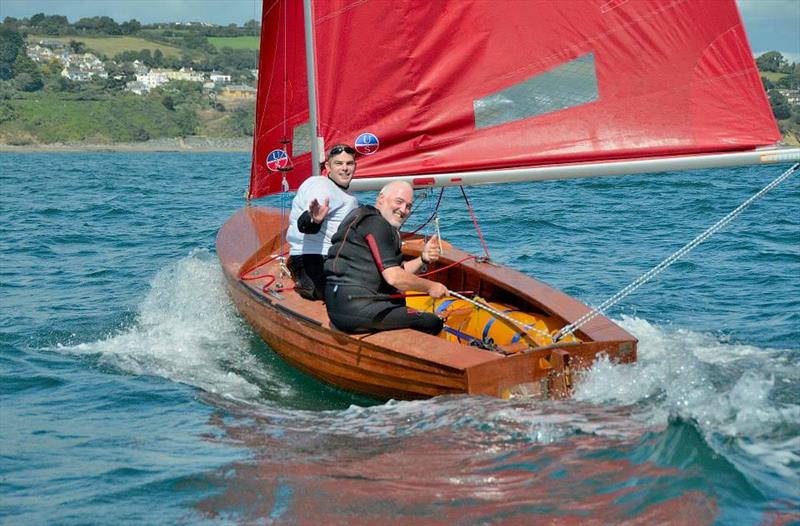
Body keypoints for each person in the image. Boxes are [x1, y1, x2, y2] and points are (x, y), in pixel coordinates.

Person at [323, 181, 448, 335]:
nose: (403, 210)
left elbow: (396, 270)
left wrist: (423, 258)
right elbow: (394, 278)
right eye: (399, 202)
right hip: (356, 310)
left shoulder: (360, 216)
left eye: (408, 206)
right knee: (432, 321)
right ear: (381, 198)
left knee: (401, 304)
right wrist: (431, 287)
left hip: (337, 307)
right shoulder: (378, 224)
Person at [286, 144, 359, 300]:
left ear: (355, 166)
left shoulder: (348, 196)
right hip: (310, 258)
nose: (345, 168)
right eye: (338, 163)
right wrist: (314, 219)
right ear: (328, 166)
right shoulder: (321, 186)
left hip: (336, 258)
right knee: (340, 297)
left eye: (349, 163)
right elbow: (304, 225)